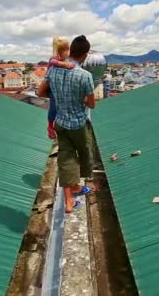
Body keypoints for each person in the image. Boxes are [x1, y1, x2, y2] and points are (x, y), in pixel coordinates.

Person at [37, 35, 96, 213]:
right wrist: (79, 99)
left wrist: (60, 98)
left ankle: (70, 199)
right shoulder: (85, 76)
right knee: (85, 151)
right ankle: (78, 187)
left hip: (60, 121)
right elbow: (91, 103)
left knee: (66, 158)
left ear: (71, 51)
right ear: (85, 55)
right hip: (77, 122)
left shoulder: (53, 70)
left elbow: (40, 92)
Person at [46, 37, 75, 139]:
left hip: (61, 89)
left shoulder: (67, 59)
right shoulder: (54, 59)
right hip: (52, 88)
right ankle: (50, 126)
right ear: (60, 51)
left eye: (68, 49)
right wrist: (65, 64)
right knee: (53, 107)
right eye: (66, 50)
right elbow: (54, 63)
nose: (68, 52)